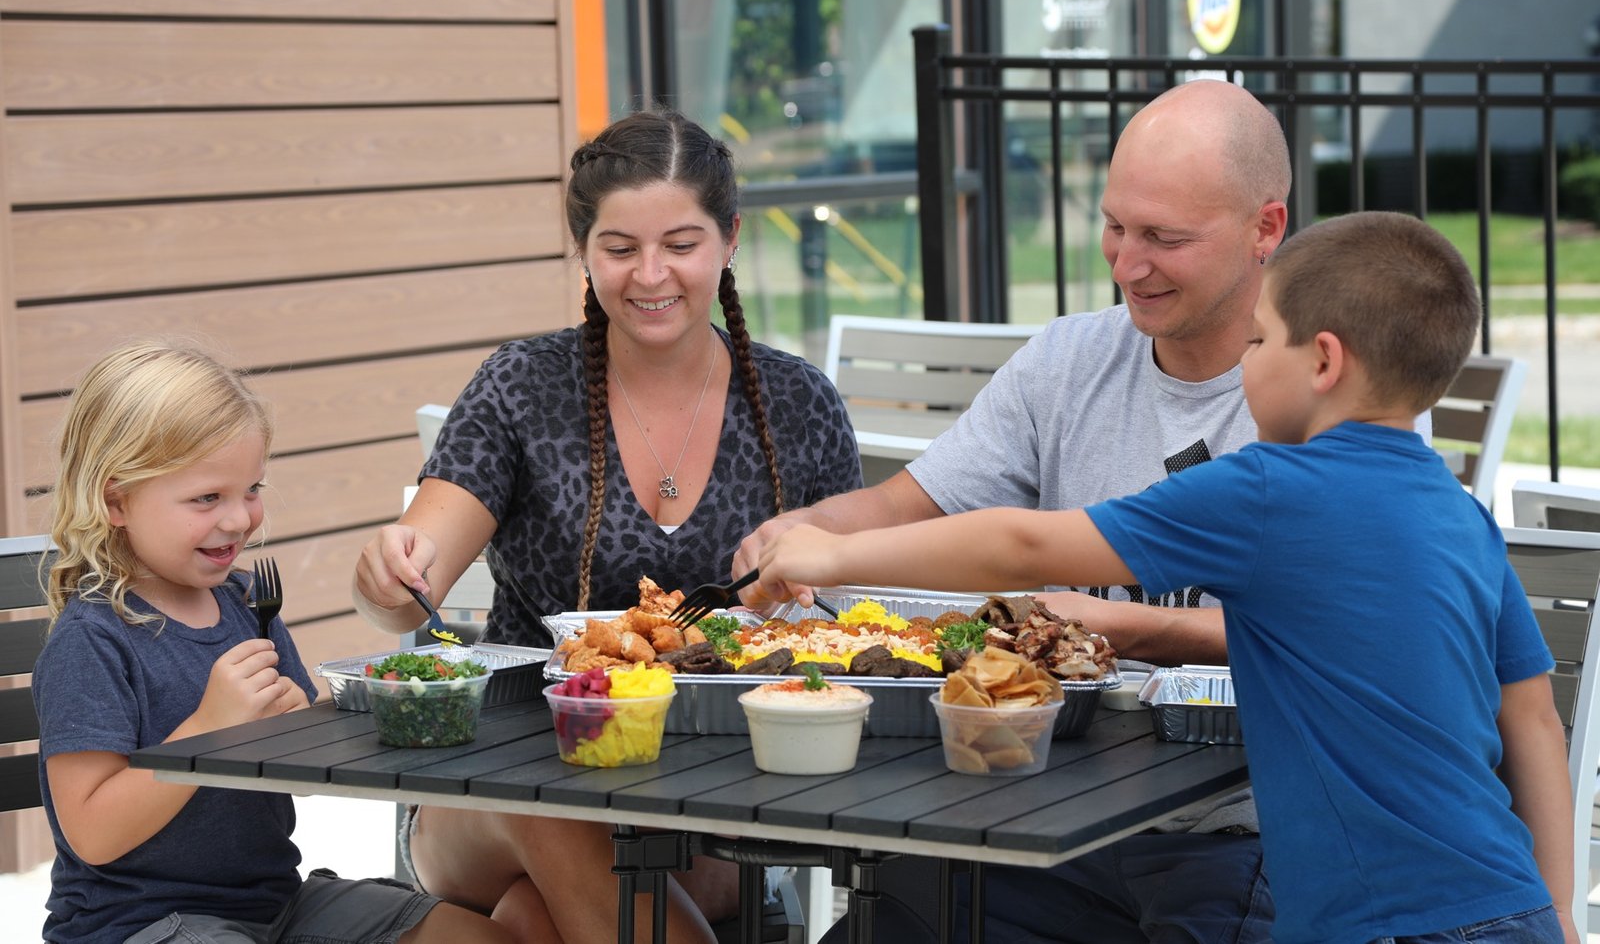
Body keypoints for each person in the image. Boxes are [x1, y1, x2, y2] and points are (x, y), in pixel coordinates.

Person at [759, 211, 1576, 944]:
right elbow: (1534, 720)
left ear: (1323, 360)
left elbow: (1023, 545)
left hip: (1382, 924)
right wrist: (1565, 912)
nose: (1246, 360)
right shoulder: (1462, 513)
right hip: (1513, 902)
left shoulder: (1267, 491)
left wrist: (828, 554)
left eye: (1259, 341)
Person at [735, 77, 1291, 941]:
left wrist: (1119, 623)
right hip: (1042, 804)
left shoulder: (1319, 393)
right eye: (1114, 225)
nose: (1125, 262)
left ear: (1267, 227)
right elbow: (909, 506)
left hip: (1236, 826)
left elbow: (1327, 631)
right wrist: (805, 534)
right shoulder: (1069, 358)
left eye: (1164, 237)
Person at [351, 109, 863, 943]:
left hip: (712, 799)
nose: (649, 274)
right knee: (556, 806)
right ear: (584, 249)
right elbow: (412, 589)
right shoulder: (522, 385)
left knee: (537, 918)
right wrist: (387, 577)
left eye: (681, 243)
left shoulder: (799, 405)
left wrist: (802, 607)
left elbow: (841, 640)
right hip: (498, 788)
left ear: (731, 239)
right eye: (619, 248)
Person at [32, 339, 514, 944]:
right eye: (207, 497)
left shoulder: (244, 606)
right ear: (115, 499)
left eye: (251, 489)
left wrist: (325, 724)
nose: (239, 520)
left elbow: (298, 779)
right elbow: (93, 834)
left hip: (277, 908)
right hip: (142, 925)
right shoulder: (93, 640)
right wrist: (208, 732)